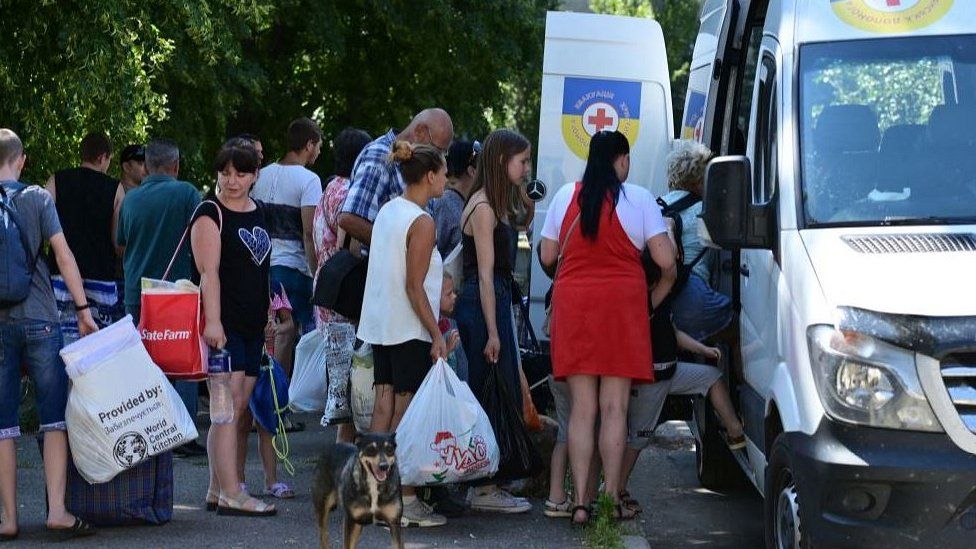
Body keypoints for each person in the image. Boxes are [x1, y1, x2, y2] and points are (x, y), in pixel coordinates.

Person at [538, 130, 676, 525]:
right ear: (622, 160)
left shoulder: (566, 195)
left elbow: (547, 255)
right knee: (614, 408)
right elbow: (665, 261)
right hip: (622, 309)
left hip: (575, 306)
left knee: (582, 409)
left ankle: (579, 502)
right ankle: (610, 498)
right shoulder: (640, 199)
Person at [0, 128, 99, 539]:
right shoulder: (38, 198)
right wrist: (82, 310)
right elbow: (63, 255)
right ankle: (57, 511)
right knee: (53, 417)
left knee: (2, 424)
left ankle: (7, 520)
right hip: (41, 317)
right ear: (21, 160)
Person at [358, 141, 448, 528]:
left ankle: (375, 497)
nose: (445, 178)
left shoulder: (388, 211)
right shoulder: (422, 221)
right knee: (406, 412)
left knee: (383, 405)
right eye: (443, 172)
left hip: (380, 322)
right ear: (430, 176)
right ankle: (403, 498)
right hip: (409, 326)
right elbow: (415, 286)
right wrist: (436, 333)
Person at [191, 139, 276, 517]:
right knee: (226, 409)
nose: (231, 180)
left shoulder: (260, 211)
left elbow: (261, 270)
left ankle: (216, 488)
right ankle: (231, 492)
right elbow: (208, 274)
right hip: (222, 328)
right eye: (225, 172)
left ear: (255, 175)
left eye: (240, 172)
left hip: (253, 324)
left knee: (238, 407)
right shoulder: (210, 212)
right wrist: (213, 322)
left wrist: (272, 311)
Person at [455, 129, 533, 514]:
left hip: (490, 300)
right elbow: (485, 275)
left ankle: (489, 480)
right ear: (504, 162)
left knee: (496, 389)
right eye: (523, 161)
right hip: (485, 302)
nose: (527, 168)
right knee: (491, 390)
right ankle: (484, 487)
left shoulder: (490, 202)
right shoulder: (483, 207)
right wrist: (492, 332)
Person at [116, 137, 207, 458]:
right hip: (175, 294)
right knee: (180, 361)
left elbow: (121, 244)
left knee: (145, 363)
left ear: (147, 166)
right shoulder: (186, 193)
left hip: (136, 294)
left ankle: (149, 431)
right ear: (176, 165)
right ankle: (181, 434)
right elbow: (202, 237)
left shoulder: (130, 200)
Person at [619, 296, 745, 515]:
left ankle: (735, 431)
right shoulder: (636, 302)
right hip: (648, 381)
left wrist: (703, 350)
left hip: (670, 372)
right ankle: (615, 490)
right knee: (639, 439)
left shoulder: (663, 302)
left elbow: (674, 334)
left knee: (712, 377)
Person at [312, 127, 370, 444]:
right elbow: (352, 245)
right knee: (349, 380)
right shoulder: (350, 192)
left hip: (327, 284)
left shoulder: (329, 187)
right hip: (345, 294)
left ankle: (342, 449)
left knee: (341, 378)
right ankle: (344, 454)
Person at [251, 118, 323, 358]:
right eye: (319, 145)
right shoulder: (309, 181)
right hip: (294, 269)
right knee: (290, 337)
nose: (319, 151)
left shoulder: (261, 175)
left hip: (261, 267)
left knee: (265, 334)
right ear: (309, 144)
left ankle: (262, 388)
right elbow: (309, 233)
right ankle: (282, 390)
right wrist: (316, 274)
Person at [45, 132, 125, 342]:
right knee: (96, 348)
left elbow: (42, 223)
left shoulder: (56, 180)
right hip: (100, 276)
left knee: (60, 344)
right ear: (102, 157)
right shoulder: (115, 189)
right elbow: (117, 243)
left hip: (59, 275)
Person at [338, 108, 454, 246]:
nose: (440, 158)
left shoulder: (414, 163)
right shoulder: (379, 156)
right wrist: (399, 249)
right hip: (377, 266)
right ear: (420, 131)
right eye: (439, 150)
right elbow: (349, 218)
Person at [661, 140, 733, 341]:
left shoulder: (658, 204)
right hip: (692, 297)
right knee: (738, 332)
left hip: (661, 299)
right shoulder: (708, 210)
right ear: (699, 180)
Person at [431, 139, 480, 258]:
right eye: (482, 168)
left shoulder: (468, 202)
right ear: (472, 171)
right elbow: (433, 251)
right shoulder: (445, 203)